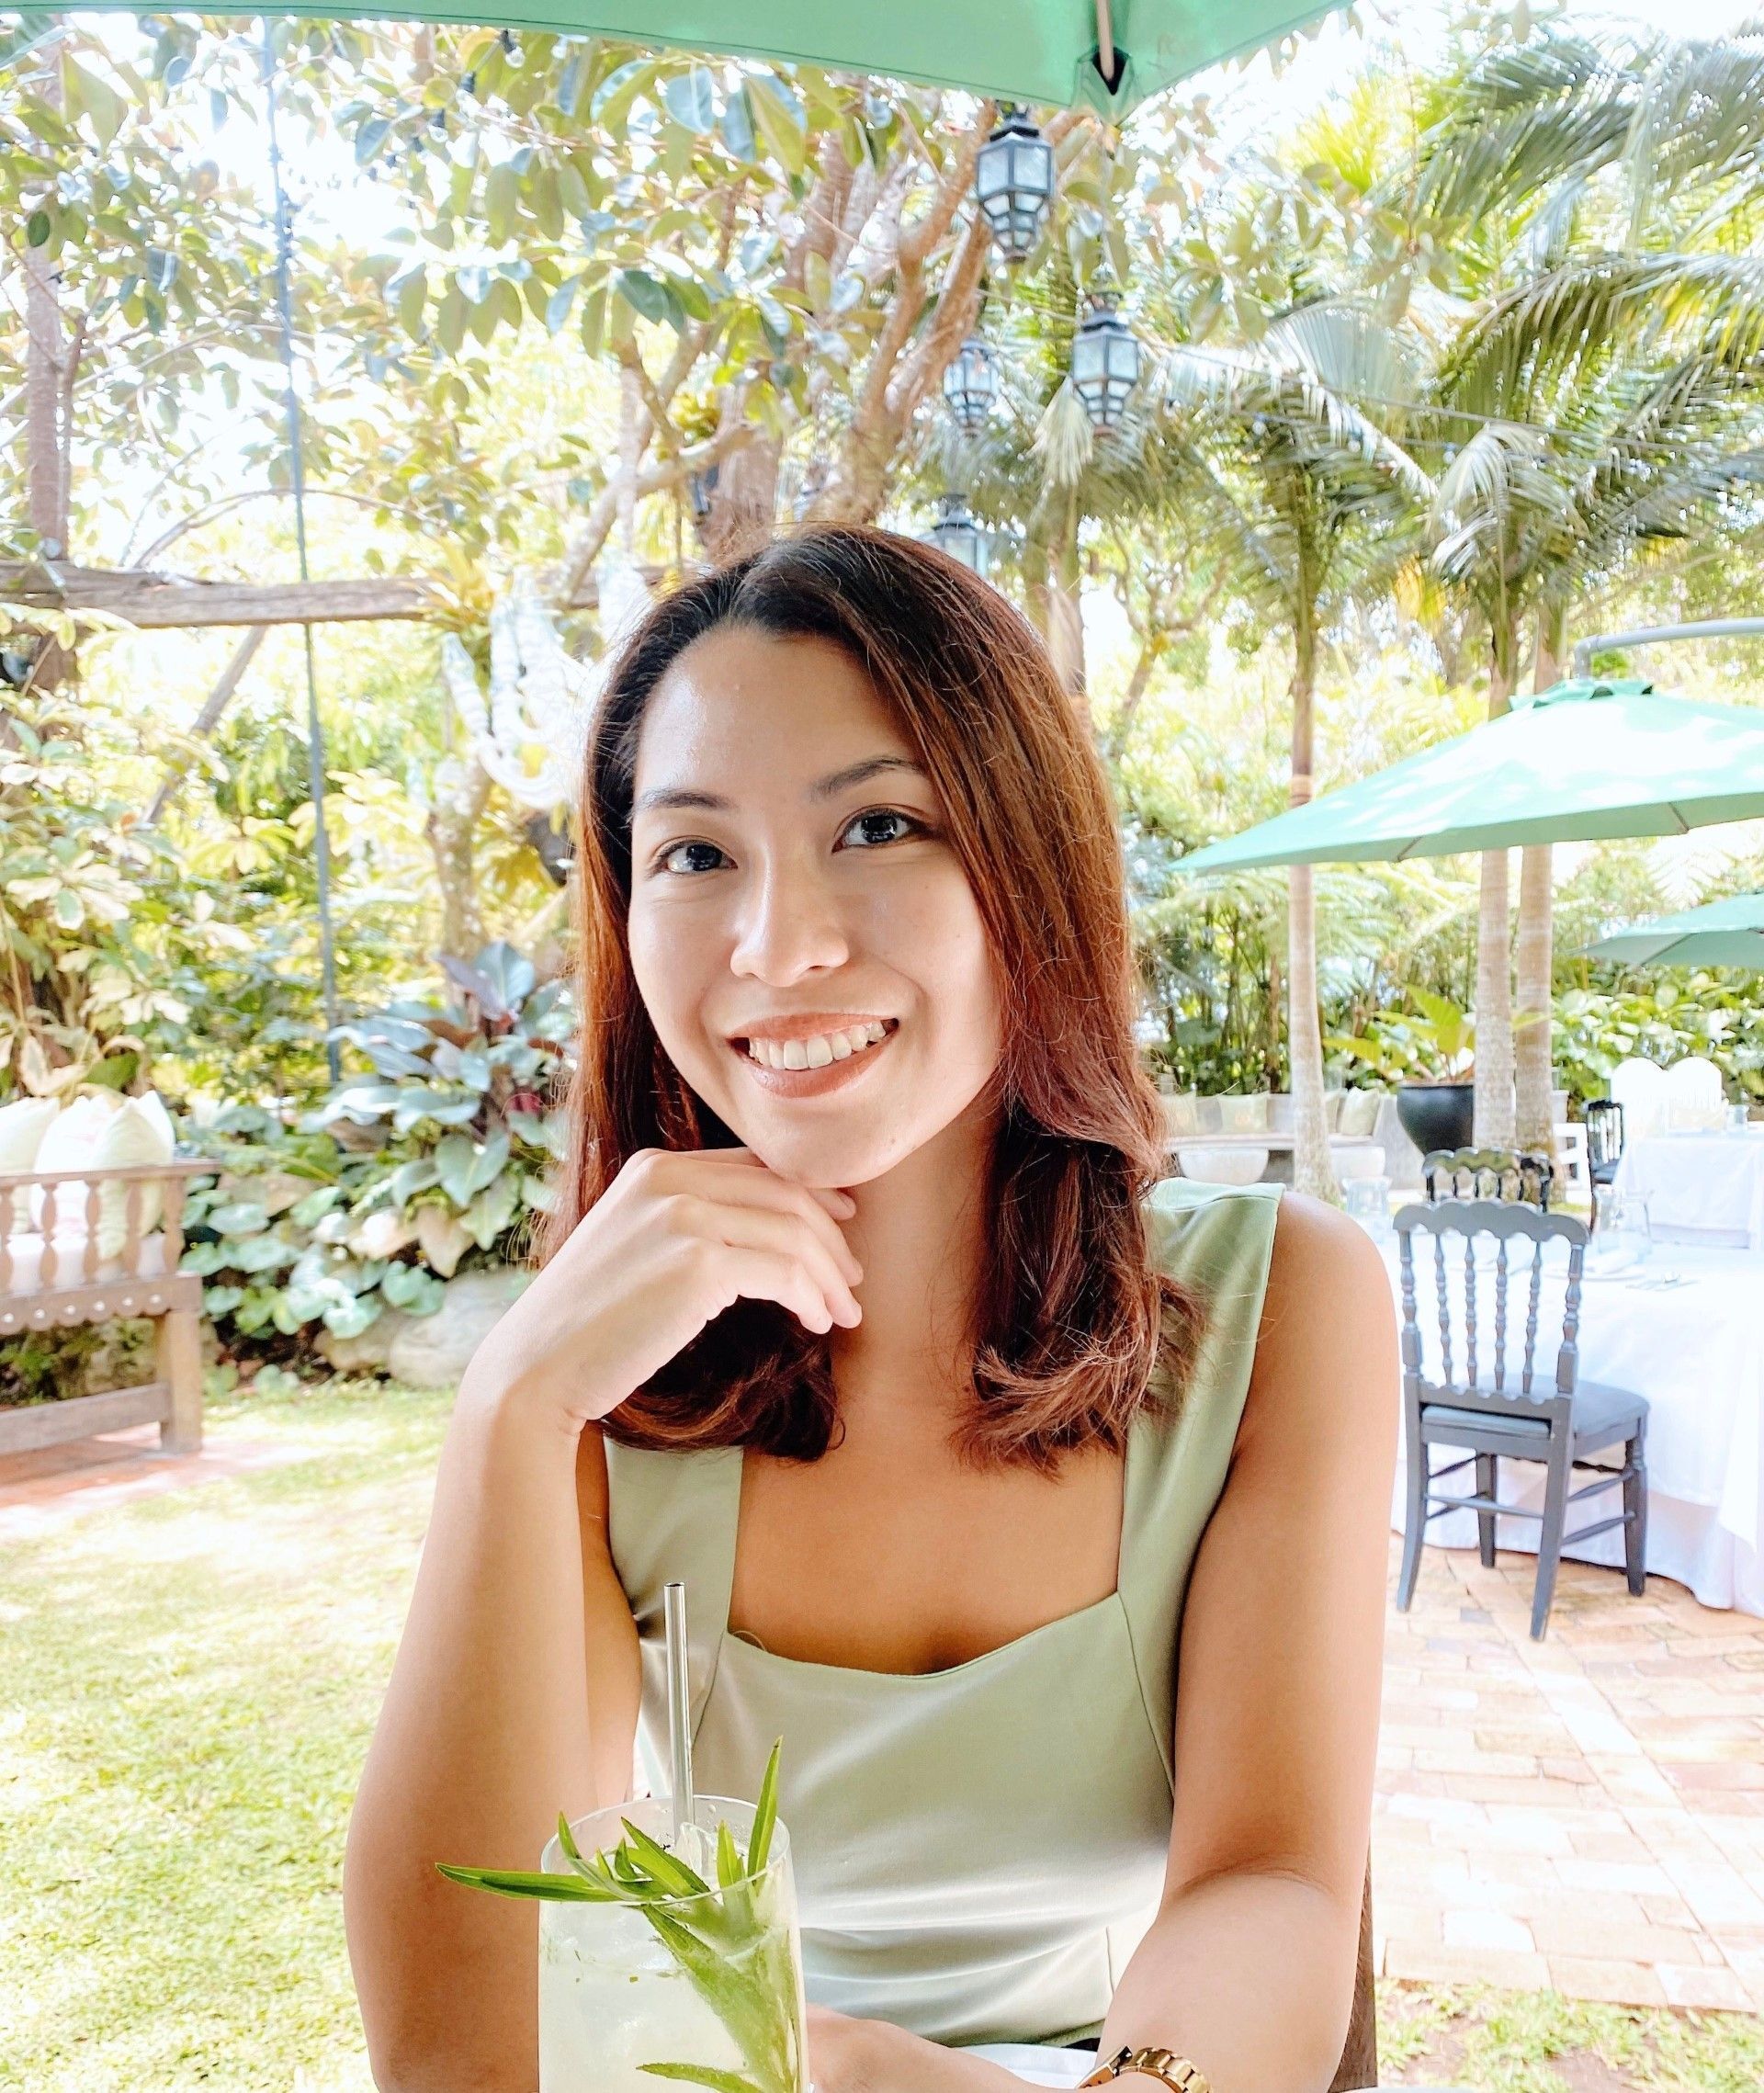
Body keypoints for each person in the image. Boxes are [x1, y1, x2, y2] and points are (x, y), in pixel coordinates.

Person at [344, 527, 1396, 2093]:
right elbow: (460, 2047)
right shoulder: (604, 1374)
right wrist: (512, 1408)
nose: (780, 948)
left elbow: (1270, 1877)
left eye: (879, 824)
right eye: (696, 853)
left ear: (1024, 867)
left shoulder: (1276, 1298)